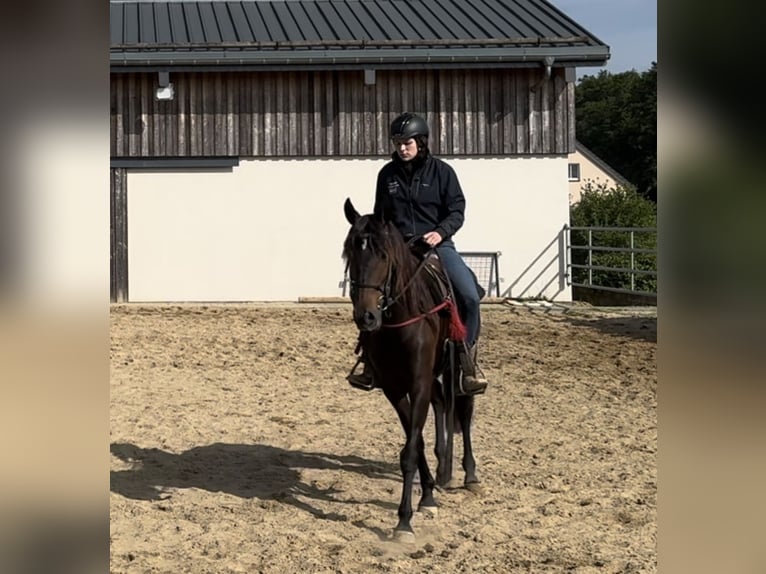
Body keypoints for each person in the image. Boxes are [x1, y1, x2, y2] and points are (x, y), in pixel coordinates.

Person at [347, 112, 489, 395]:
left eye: (407, 142)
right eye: (398, 142)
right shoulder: (386, 175)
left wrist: (440, 232)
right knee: (370, 292)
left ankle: (465, 362)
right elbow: (382, 214)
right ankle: (368, 361)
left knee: (470, 297)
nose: (402, 148)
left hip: (438, 245)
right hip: (399, 248)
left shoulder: (443, 172)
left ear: (421, 142)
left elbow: (457, 210)